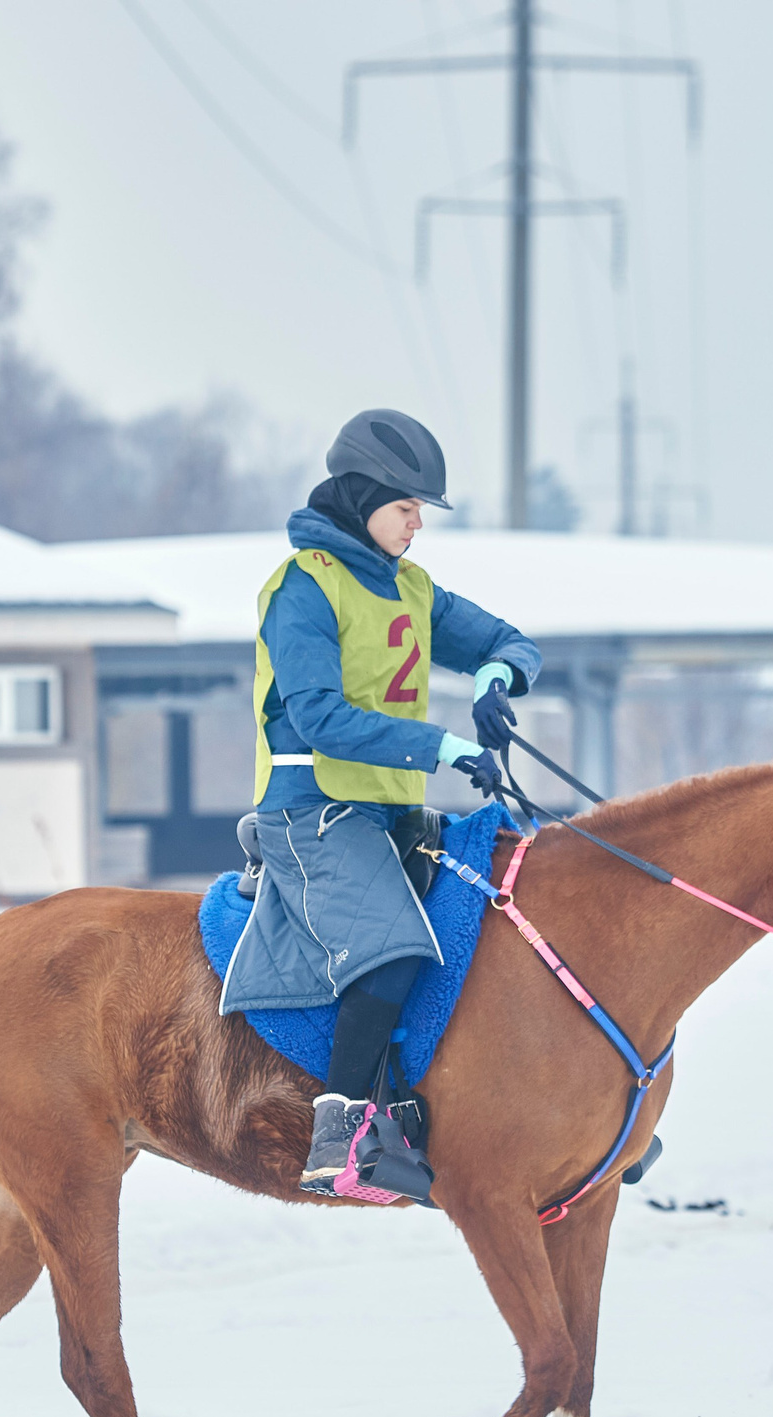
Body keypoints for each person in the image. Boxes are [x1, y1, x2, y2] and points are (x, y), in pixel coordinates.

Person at [218, 408, 541, 1195]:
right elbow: (322, 716)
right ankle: (340, 1141)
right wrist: (446, 747)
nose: (418, 523)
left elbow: (510, 640)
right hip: (312, 812)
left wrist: (496, 682)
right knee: (393, 948)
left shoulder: (411, 586)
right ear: (364, 498)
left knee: (511, 904)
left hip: (391, 812)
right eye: (406, 507)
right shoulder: (301, 590)